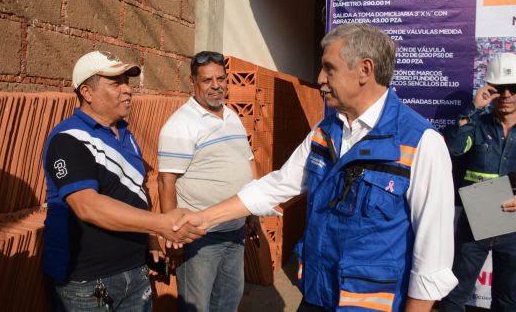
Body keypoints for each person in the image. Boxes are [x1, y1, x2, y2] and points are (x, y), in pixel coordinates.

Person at [172, 24, 458, 311]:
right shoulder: (325, 131)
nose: (320, 78)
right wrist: (205, 218)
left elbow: (432, 258)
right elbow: (277, 185)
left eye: (329, 68)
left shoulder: (421, 143)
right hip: (316, 295)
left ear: (364, 70)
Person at [42, 51, 205, 311]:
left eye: (127, 83)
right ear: (87, 92)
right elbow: (88, 206)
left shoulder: (126, 135)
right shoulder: (68, 139)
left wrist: (151, 237)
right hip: (85, 281)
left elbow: (136, 189)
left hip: (134, 269)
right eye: (116, 83)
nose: (127, 90)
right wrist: (161, 223)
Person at [157, 51, 256, 312]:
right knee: (197, 307)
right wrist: (173, 235)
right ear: (193, 83)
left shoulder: (232, 116)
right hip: (200, 238)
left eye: (221, 78)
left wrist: (252, 210)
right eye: (207, 80)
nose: (216, 86)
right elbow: (166, 182)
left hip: (235, 233)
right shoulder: (180, 124)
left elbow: (248, 161)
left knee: (228, 303)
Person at [440, 52, 516, 312]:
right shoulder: (477, 123)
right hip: (476, 220)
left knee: (508, 301)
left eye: (513, 88)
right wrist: (473, 108)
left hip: (514, 226)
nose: (506, 95)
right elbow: (455, 149)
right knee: (454, 298)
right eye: (499, 88)